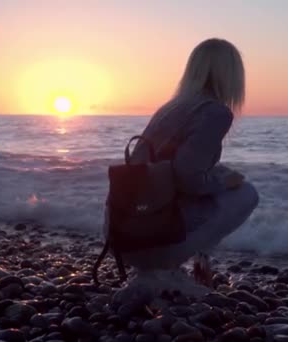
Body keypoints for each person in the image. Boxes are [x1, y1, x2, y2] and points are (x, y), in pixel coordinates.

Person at [107, 38, 259, 300]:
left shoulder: (171, 107)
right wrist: (226, 183)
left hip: (121, 234)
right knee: (246, 193)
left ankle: (172, 266)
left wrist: (219, 177)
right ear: (231, 74)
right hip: (154, 240)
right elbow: (187, 178)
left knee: (221, 175)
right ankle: (163, 271)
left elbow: (162, 171)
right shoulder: (215, 112)